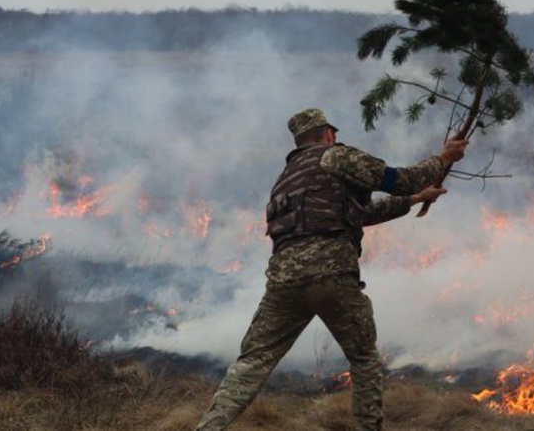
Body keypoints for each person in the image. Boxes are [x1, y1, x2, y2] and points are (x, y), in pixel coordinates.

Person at [194, 108, 467, 431]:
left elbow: (358, 213)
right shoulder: (335, 157)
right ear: (327, 134)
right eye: (332, 134)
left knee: (252, 362)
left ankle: (207, 427)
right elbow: (399, 180)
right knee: (364, 360)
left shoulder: (285, 181)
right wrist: (442, 158)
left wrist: (415, 200)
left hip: (283, 283)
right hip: (332, 274)